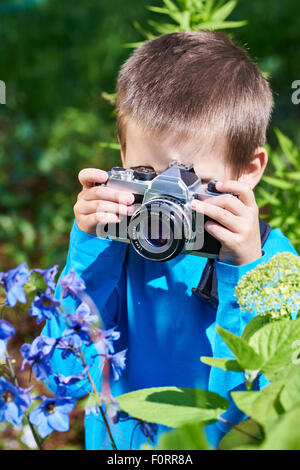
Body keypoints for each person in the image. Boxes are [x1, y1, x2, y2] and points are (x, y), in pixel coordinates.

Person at [42, 30, 298, 450]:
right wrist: (90, 249)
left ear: (249, 169)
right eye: (146, 174)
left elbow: (262, 414)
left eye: (189, 180)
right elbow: (60, 374)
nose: (165, 203)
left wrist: (244, 271)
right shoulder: (115, 247)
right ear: (122, 154)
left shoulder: (275, 265)